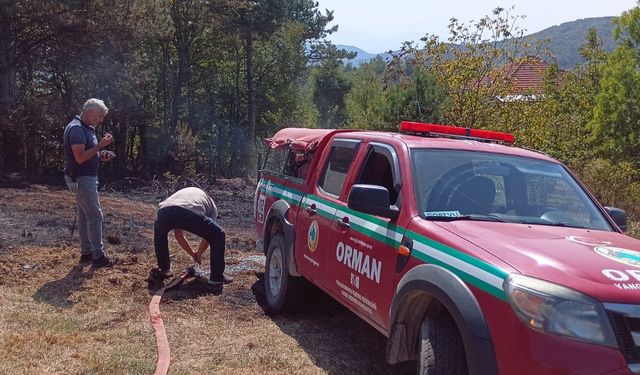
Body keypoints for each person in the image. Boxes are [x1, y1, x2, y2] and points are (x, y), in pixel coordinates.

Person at [63, 98, 116, 268]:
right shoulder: (77, 129)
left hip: (86, 177)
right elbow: (80, 158)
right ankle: (98, 257)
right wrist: (100, 146)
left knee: (85, 216)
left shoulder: (87, 128)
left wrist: (101, 156)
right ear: (89, 112)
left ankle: (86, 253)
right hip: (82, 178)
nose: (101, 120)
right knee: (94, 215)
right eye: (99, 116)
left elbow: (89, 154)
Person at [153, 187, 233, 285]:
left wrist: (193, 254)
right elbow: (209, 237)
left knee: (159, 232)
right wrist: (198, 254)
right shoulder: (212, 206)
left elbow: (178, 235)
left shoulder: (187, 194)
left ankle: (163, 269)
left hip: (163, 211)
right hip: (187, 212)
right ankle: (217, 277)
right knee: (218, 235)